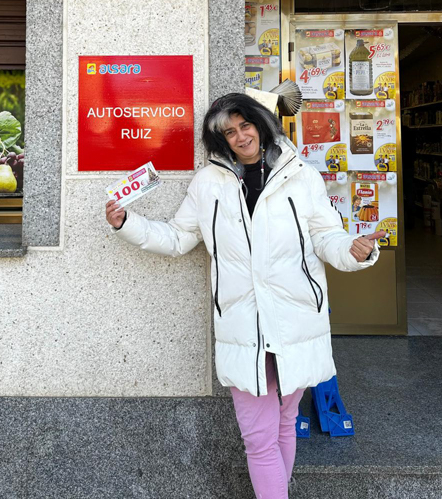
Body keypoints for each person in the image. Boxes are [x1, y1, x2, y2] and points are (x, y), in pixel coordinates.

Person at [105, 92, 380, 499]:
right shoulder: (208, 183)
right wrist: (128, 222)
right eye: (229, 132)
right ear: (221, 140)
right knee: (258, 438)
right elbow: (180, 237)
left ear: (260, 124)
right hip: (241, 326)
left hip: (295, 320)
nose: (240, 136)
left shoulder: (300, 175)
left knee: (285, 425)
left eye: (244, 125)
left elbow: (327, 237)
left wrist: (355, 250)